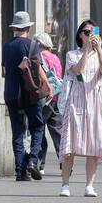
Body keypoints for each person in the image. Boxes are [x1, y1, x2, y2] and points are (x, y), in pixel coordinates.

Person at [59, 19, 102, 197]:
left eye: (93, 33)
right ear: (80, 35)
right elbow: (78, 70)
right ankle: (65, 184)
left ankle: (89, 185)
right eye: (87, 33)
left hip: (95, 102)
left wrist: (100, 49)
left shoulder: (99, 55)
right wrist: (87, 50)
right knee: (69, 145)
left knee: (93, 146)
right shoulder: (71, 54)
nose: (91, 36)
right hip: (76, 101)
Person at [1, 11, 43, 181]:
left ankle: (20, 171)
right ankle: (33, 160)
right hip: (29, 93)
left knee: (18, 132)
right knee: (38, 127)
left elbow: (4, 70)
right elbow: (38, 70)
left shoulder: (7, 45)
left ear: (14, 28)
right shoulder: (32, 45)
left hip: (11, 93)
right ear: (27, 27)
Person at [33, 30, 64, 178]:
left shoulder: (40, 58)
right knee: (57, 132)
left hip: (44, 99)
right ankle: (64, 161)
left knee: (38, 130)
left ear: (39, 44)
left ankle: (39, 162)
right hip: (56, 98)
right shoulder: (56, 58)